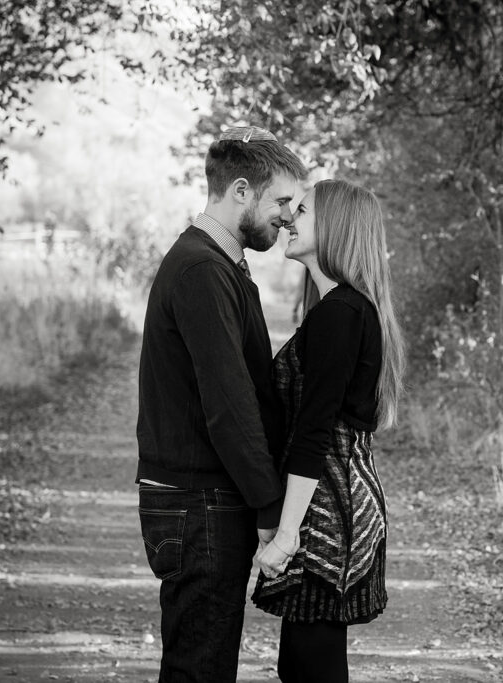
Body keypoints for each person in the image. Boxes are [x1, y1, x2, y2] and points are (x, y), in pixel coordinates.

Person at [135, 126, 307, 682]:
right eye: (281, 200)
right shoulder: (204, 269)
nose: (288, 215)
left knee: (200, 664)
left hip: (199, 503)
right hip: (199, 505)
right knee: (199, 669)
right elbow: (229, 404)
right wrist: (269, 507)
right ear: (240, 191)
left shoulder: (219, 263)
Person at [251, 179, 406, 682]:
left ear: (335, 228)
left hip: (328, 512)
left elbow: (314, 434)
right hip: (332, 499)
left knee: (311, 667)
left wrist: (287, 534)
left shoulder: (340, 313)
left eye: (304, 210)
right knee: (300, 664)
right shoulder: (340, 308)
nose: (289, 219)